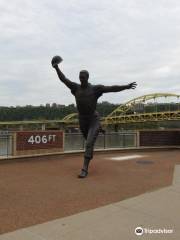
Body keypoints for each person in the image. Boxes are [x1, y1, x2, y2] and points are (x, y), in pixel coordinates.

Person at [51, 57, 137, 178]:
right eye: (80, 77)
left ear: (87, 78)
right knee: (88, 141)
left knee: (89, 143)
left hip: (93, 119)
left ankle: (84, 168)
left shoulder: (95, 89)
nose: (81, 79)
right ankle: (96, 133)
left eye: (83, 77)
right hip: (82, 120)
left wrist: (126, 86)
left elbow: (112, 88)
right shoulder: (75, 88)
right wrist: (56, 68)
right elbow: (63, 79)